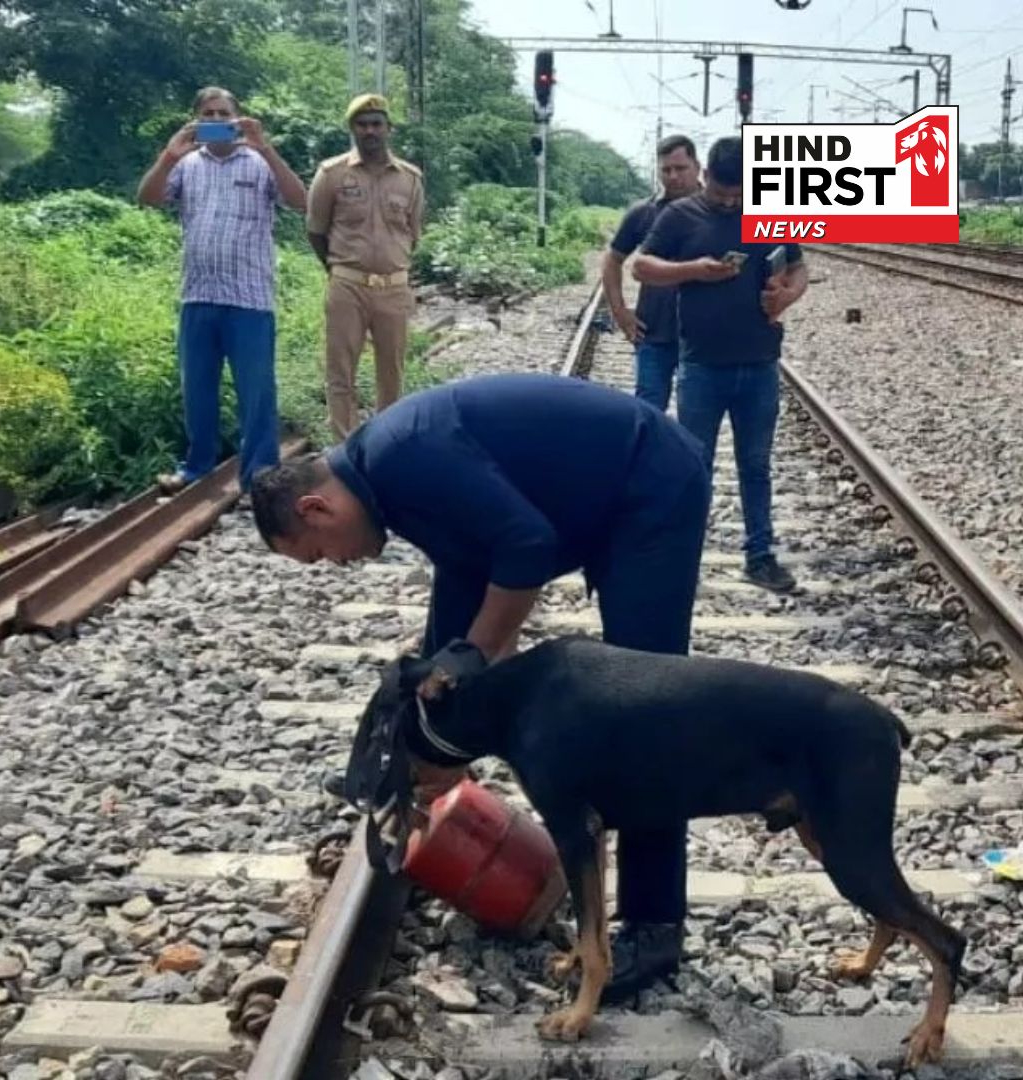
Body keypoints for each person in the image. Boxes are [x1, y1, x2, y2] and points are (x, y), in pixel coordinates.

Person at [249, 371, 713, 1001]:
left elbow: (526, 545)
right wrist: (431, 721)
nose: (337, 563)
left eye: (319, 553)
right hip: (600, 497)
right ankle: (416, 790)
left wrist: (480, 651)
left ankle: (654, 926)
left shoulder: (402, 457)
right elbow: (469, 565)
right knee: (444, 668)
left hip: (649, 486)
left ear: (315, 508)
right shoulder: (384, 481)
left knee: (644, 706)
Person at [632, 137, 810, 594]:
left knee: (756, 466)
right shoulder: (679, 215)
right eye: (722, 193)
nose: (731, 202)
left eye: (739, 194)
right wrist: (693, 270)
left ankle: (760, 556)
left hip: (760, 364)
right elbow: (641, 267)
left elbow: (798, 268)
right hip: (702, 367)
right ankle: (682, 557)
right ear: (706, 176)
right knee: (696, 466)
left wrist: (787, 295)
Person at [138, 86, 309, 494]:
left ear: (237, 118)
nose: (216, 120)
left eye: (223, 113)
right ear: (198, 119)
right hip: (198, 296)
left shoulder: (259, 163)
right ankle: (197, 468)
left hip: (249, 299)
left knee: (256, 392)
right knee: (197, 390)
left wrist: (266, 148)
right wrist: (168, 155)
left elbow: (301, 201)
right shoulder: (186, 164)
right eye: (208, 114)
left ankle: (259, 475)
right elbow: (148, 198)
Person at [306, 94, 425, 439]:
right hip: (347, 286)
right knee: (340, 372)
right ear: (352, 128)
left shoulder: (410, 179)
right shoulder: (331, 174)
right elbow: (316, 231)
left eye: (376, 124)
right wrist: (340, 270)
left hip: (394, 288)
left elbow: (412, 233)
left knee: (392, 372)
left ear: (389, 128)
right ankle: (345, 446)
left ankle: (385, 445)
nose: (369, 131)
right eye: (362, 124)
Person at [602, 135, 702, 410]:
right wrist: (620, 312)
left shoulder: (717, 210)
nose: (673, 176)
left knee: (695, 416)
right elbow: (612, 259)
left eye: (680, 168)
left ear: (697, 167)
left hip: (703, 338)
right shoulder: (643, 212)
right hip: (653, 332)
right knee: (648, 411)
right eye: (666, 170)